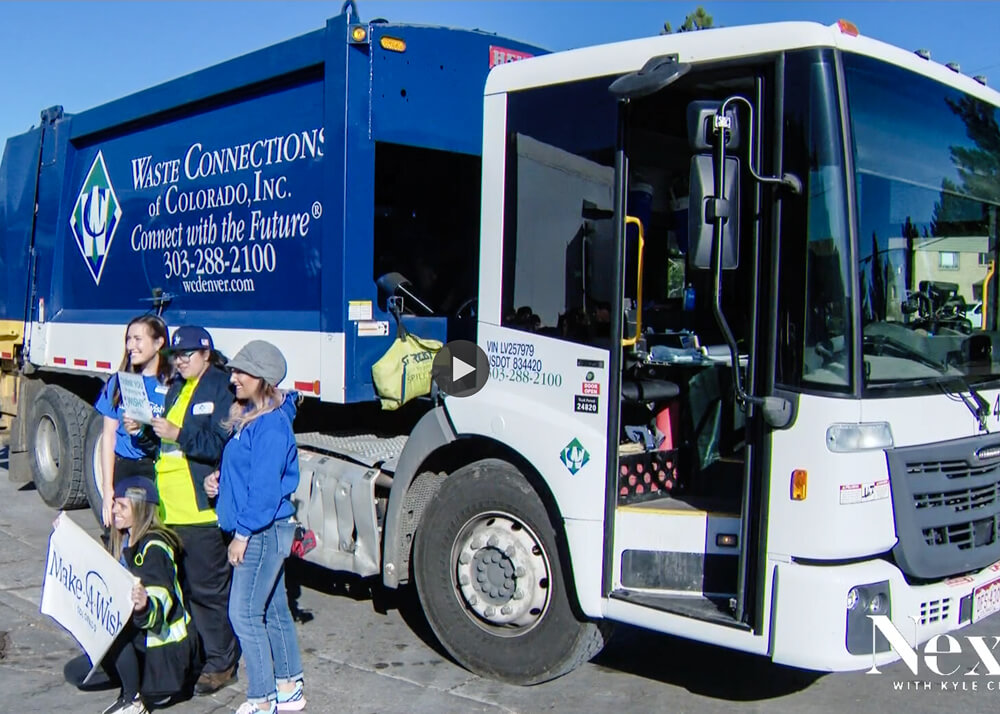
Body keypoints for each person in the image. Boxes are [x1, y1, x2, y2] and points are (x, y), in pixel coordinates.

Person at [135, 325, 241, 696]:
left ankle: (222, 662)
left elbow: (219, 444)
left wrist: (178, 433)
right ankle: (199, 654)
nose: (179, 361)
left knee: (208, 592)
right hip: (170, 509)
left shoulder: (220, 388)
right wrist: (142, 433)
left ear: (206, 355)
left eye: (188, 354)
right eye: (176, 355)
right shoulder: (177, 388)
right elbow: (163, 444)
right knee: (183, 589)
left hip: (201, 513)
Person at [207, 340, 304, 714]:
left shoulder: (269, 426)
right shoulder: (252, 417)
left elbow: (264, 491)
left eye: (241, 372)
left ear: (262, 378)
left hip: (262, 531)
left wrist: (242, 535)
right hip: (264, 528)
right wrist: (219, 481)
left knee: (244, 615)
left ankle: (262, 699)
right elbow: (250, 474)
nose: (233, 378)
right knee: (275, 608)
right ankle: (289, 686)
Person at [103, 476, 196, 714]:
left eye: (121, 506)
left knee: (115, 628)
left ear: (141, 509)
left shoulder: (155, 548)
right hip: (146, 642)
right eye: (115, 503)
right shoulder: (123, 538)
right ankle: (132, 679)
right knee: (77, 673)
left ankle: (133, 699)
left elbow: (160, 600)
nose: (114, 510)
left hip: (165, 653)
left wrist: (145, 606)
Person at [94, 315, 171, 528]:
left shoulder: (172, 385)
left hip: (155, 467)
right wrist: (108, 487)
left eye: (138, 339)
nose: (130, 346)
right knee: (120, 533)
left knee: (150, 530)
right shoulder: (118, 382)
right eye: (128, 339)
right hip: (124, 467)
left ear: (158, 343)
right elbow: (109, 436)